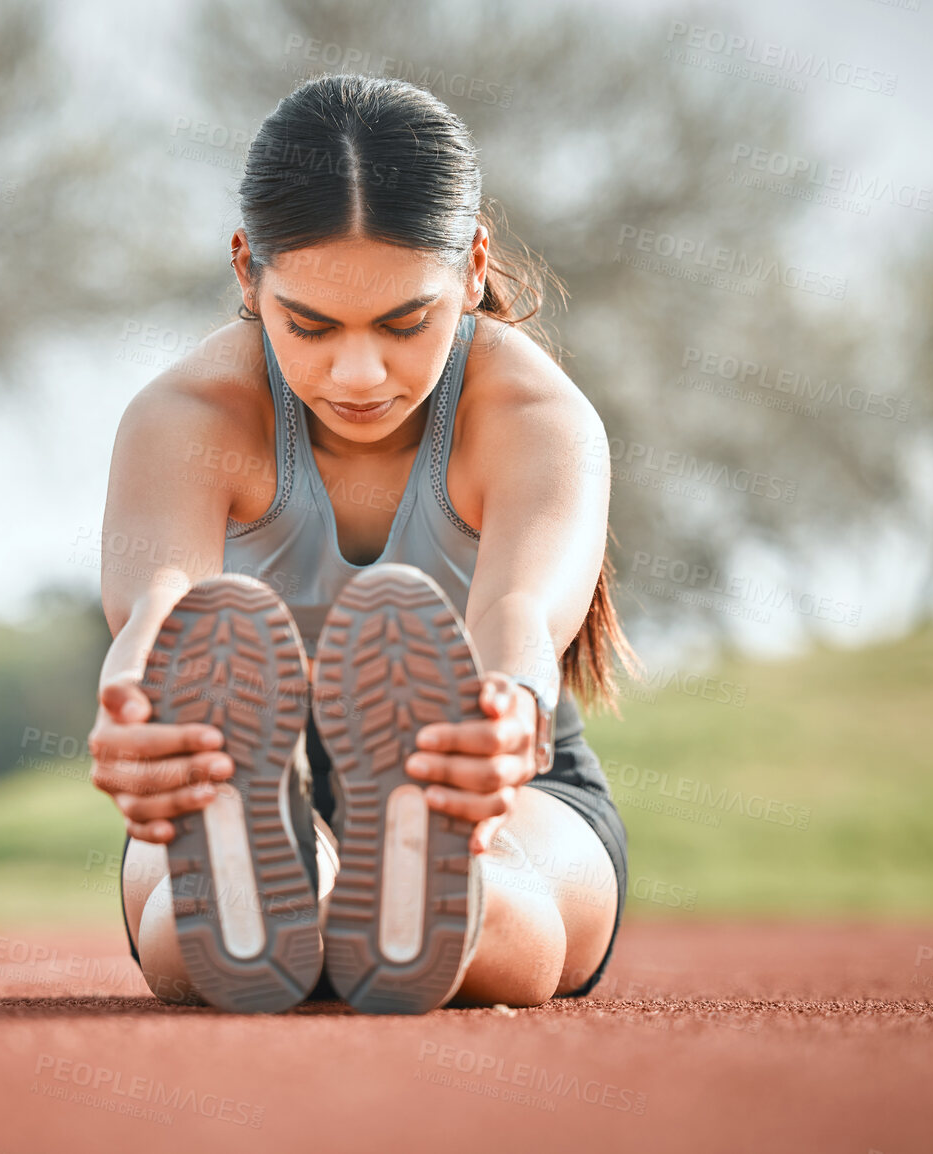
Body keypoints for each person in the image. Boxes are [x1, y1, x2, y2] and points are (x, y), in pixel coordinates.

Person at [87, 74, 637, 1014]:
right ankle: (283, 872)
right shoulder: (183, 416)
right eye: (307, 324)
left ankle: (411, 876)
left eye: (403, 323)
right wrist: (132, 707)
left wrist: (502, 716)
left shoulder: (539, 418)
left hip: (479, 755)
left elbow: (515, 618)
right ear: (243, 271)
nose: (356, 373)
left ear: (471, 267)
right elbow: (163, 609)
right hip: (234, 763)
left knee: (518, 923)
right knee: (191, 936)